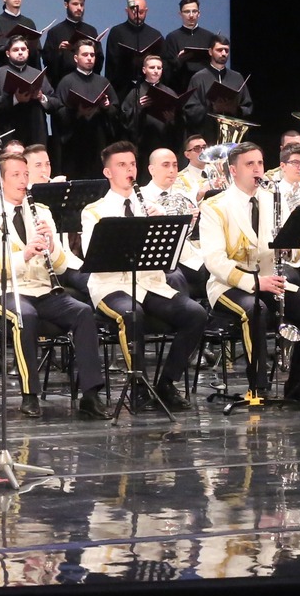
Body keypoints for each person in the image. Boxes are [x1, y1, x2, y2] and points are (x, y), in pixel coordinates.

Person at [0, 150, 108, 417]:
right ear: (0, 181)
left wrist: (51, 246)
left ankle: (90, 394)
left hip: (42, 289)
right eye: (16, 175)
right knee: (24, 316)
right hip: (3, 291)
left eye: (25, 174)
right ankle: (30, 394)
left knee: (83, 312)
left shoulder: (41, 212)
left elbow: (60, 266)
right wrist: (24, 255)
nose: (23, 180)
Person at [80, 141, 209, 413]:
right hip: (110, 286)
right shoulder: (94, 211)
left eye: (132, 164)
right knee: (132, 313)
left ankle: (166, 383)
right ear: (108, 173)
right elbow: (96, 257)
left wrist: (164, 227)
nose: (129, 170)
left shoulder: (150, 206)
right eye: (122, 165)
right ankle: (138, 387)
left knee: (195, 313)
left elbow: (170, 258)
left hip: (150, 283)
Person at [199, 142, 300, 405]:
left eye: (260, 163)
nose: (258, 169)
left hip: (270, 279)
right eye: (250, 164)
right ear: (234, 170)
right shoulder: (215, 206)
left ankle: (298, 385)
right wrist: (254, 282)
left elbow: (297, 251)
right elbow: (214, 261)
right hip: (228, 285)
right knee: (255, 310)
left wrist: (289, 248)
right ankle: (258, 387)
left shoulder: (273, 198)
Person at [52, 38, 118, 179]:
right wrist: (77, 112)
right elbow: (58, 113)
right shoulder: (66, 81)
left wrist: (106, 107)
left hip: (99, 139)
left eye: (92, 55)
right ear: (76, 58)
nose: (89, 58)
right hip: (74, 142)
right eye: (85, 55)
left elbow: (116, 110)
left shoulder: (103, 82)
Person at [0, 34, 58, 149]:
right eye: (16, 50)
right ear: (7, 53)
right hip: (7, 133)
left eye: (23, 49)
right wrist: (15, 99)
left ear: (28, 52)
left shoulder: (37, 74)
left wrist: (41, 97)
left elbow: (55, 102)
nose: (20, 52)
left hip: (35, 132)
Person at [182, 36, 252, 143]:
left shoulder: (237, 77)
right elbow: (190, 109)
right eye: (219, 50)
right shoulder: (198, 78)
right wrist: (212, 108)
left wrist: (235, 109)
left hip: (232, 136)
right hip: (207, 135)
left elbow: (248, 106)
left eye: (226, 50)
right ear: (210, 52)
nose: (224, 53)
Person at [105, 0, 164, 90]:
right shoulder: (117, 32)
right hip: (122, 87)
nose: (137, 15)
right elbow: (111, 66)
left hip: (149, 88)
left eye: (141, 12)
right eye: (133, 12)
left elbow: (163, 63)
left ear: (146, 11)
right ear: (126, 11)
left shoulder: (155, 35)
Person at [160, 0, 218, 92]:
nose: (191, 15)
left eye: (194, 11)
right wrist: (179, 60)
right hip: (181, 88)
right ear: (180, 14)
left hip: (205, 89)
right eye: (187, 12)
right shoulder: (172, 38)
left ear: (199, 13)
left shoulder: (209, 36)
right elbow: (167, 69)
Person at [42, 0, 99, 83]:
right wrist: (59, 52)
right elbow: (47, 62)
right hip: (62, 83)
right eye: (75, 4)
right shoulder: (54, 32)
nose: (79, 8)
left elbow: (99, 61)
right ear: (66, 5)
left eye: (82, 4)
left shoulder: (91, 31)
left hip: (88, 83)